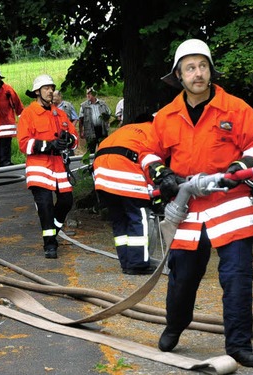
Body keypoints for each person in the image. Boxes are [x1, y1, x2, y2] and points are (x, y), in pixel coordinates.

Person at [143, 39, 253, 368]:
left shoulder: (237, 109)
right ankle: (175, 326)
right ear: (179, 75)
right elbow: (149, 153)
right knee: (182, 278)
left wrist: (240, 166)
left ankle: (240, 344)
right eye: (190, 68)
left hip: (231, 205)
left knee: (237, 278)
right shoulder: (166, 116)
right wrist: (161, 173)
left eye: (202, 66)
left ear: (210, 70)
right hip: (188, 207)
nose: (197, 73)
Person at [17, 75, 78, 259]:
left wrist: (69, 140)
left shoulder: (60, 114)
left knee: (66, 201)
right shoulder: (28, 114)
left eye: (52, 88)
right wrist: (48, 145)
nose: (51, 91)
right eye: (46, 88)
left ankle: (53, 230)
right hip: (39, 167)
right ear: (37, 91)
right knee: (44, 205)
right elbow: (24, 144)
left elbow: (74, 140)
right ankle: (49, 244)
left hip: (58, 166)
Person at [93, 114, 157, 275]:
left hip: (101, 172)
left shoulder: (129, 129)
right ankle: (138, 264)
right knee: (138, 216)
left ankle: (126, 262)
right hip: (124, 167)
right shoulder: (156, 132)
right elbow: (152, 163)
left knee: (119, 218)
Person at [78, 87, 112, 154]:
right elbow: (81, 120)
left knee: (103, 149)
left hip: (102, 130)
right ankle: (91, 164)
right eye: (87, 94)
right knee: (91, 151)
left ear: (94, 94)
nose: (88, 95)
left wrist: (107, 124)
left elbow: (109, 114)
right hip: (90, 131)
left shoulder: (103, 104)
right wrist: (81, 131)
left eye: (90, 93)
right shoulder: (83, 106)